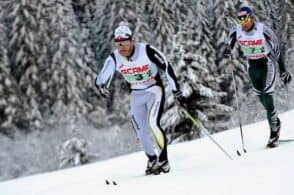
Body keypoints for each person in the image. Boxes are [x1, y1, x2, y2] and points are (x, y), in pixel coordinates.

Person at [95, 23, 186, 175]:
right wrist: (100, 85)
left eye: (124, 42)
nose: (121, 47)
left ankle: (163, 159)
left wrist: (176, 91)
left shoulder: (146, 50)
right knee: (141, 133)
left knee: (153, 124)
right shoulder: (115, 58)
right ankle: (152, 160)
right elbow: (102, 76)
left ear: (131, 40)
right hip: (136, 95)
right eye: (118, 43)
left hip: (154, 91)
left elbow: (167, 66)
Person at [224, 6, 292, 148]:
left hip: (267, 64)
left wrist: (283, 70)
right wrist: (227, 53)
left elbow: (277, 49)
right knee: (261, 98)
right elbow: (228, 44)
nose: (243, 23)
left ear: (251, 18)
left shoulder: (262, 30)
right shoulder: (237, 31)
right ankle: (275, 121)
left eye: (246, 20)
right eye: (240, 20)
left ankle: (274, 130)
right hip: (252, 66)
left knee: (267, 96)